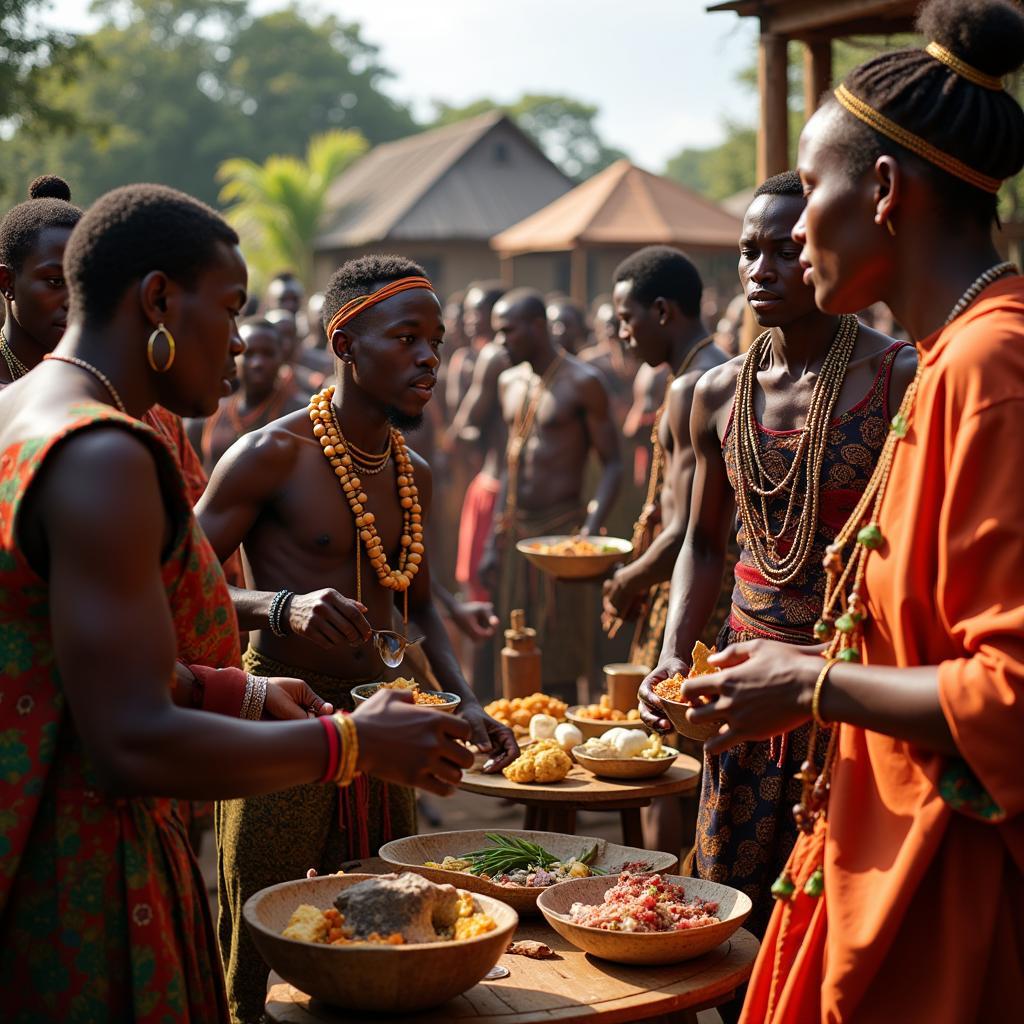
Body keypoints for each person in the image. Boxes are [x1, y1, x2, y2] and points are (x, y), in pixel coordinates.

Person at [0, 184, 476, 1022]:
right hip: (71, 863)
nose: (241, 343)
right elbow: (127, 741)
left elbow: (75, 657)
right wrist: (347, 744)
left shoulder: (22, 410)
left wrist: (241, 693)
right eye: (228, 308)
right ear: (157, 300)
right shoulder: (103, 453)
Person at [677, 3, 1024, 1019]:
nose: (787, 233)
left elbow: (1008, 693)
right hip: (875, 855)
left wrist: (813, 684)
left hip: (944, 891)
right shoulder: (952, 357)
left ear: (879, 192)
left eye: (809, 193)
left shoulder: (990, 365)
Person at [195, 254, 518, 1023]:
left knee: (385, 921)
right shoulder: (271, 453)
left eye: (435, 340)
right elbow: (178, 583)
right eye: (407, 337)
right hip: (284, 717)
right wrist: (279, 606)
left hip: (392, 721)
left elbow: (420, 609)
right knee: (265, 928)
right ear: (345, 346)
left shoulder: (416, 472)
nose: (429, 357)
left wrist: (467, 701)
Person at [638, 172, 916, 954]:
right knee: (730, 913)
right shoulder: (717, 393)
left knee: (838, 919)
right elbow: (702, 541)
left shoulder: (899, 380)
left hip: (844, 683)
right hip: (739, 686)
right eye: (748, 252)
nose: (763, 270)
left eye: (787, 250)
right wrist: (669, 657)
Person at [484, 288, 622, 699]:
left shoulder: (583, 382)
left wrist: (588, 535)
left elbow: (613, 463)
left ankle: (560, 750)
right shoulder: (509, 381)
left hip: (562, 534)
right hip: (516, 534)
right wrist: (494, 538)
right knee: (513, 642)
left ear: (538, 327)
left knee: (560, 654)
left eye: (508, 331)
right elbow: (509, 461)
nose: (499, 342)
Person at [602, 247, 729, 666]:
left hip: (698, 589)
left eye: (625, 319)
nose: (622, 334)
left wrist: (626, 581)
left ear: (660, 311)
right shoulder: (713, 371)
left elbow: (688, 530)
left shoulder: (691, 387)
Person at [191, 317, 304, 472]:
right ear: (234, 357)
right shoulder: (212, 413)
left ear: (282, 357)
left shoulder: (298, 414)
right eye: (248, 353)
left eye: (268, 353)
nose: (257, 363)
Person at [0, 175, 80, 387]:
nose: (74, 301)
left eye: (84, 283)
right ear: (7, 282)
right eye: (56, 282)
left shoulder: (115, 387)